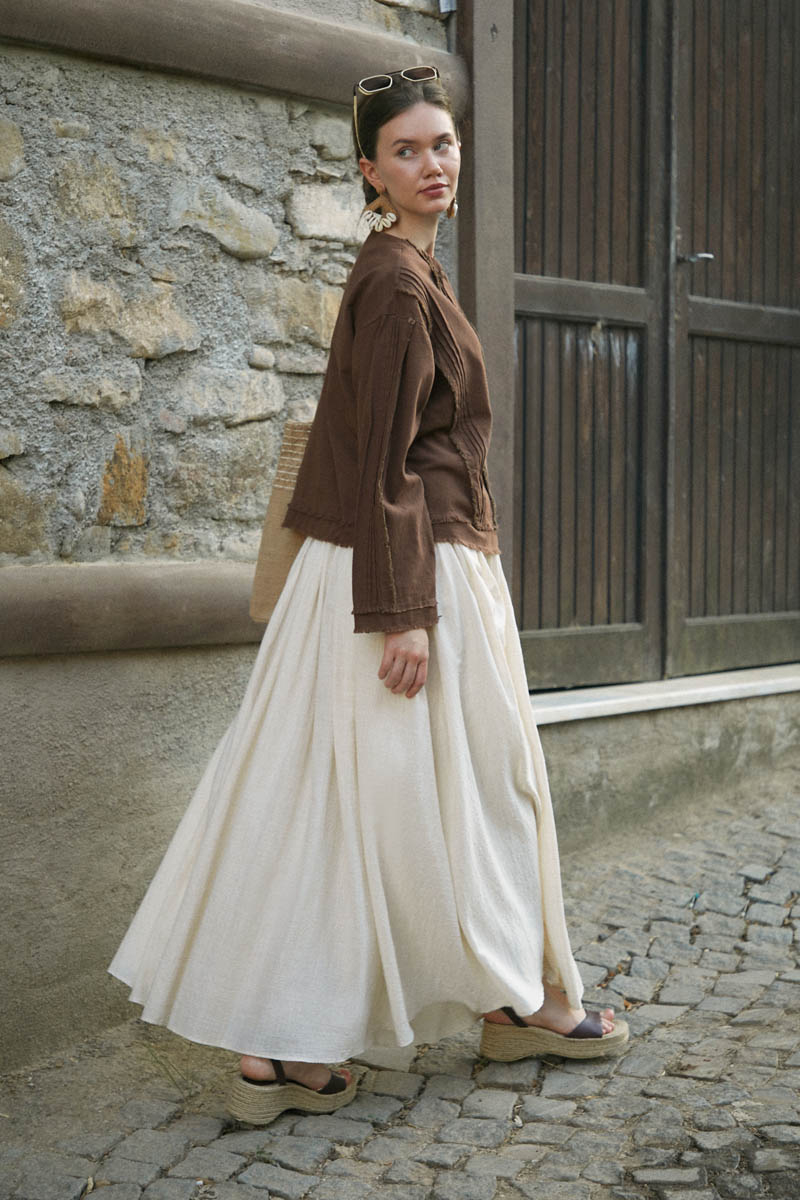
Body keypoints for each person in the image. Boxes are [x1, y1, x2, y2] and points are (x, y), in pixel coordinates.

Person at [108, 65, 628, 1127]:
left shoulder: (406, 269)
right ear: (369, 172)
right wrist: (404, 614)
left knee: (341, 803)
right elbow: (388, 461)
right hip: (407, 572)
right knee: (473, 796)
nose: (432, 164)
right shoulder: (395, 282)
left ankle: (288, 1046)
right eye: (406, 150)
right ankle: (518, 1002)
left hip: (393, 567)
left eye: (443, 144)